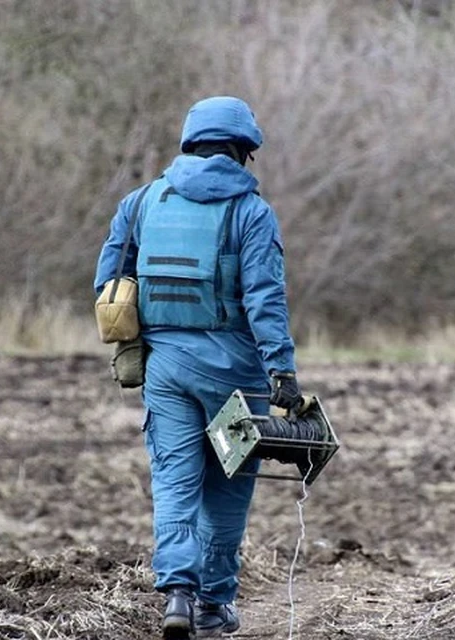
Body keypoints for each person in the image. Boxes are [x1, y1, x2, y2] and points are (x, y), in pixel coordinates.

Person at [93, 96, 302, 639]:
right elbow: (264, 300)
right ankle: (213, 605)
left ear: (190, 143)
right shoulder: (251, 213)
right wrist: (283, 372)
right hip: (237, 378)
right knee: (227, 487)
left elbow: (107, 285)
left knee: (175, 481)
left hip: (165, 373)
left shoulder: (140, 203)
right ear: (243, 151)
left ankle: (178, 596)